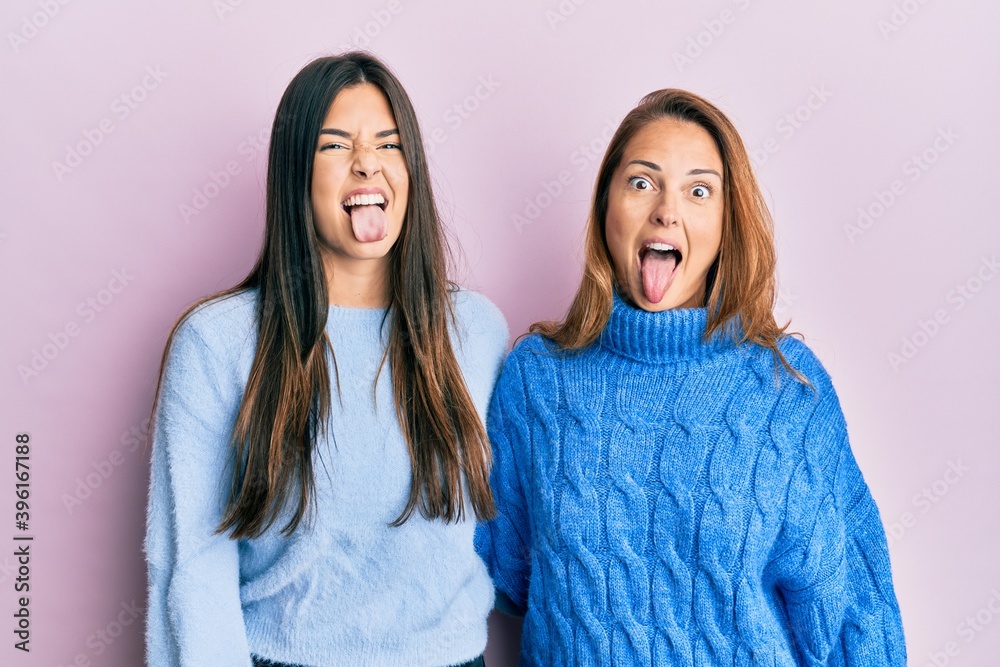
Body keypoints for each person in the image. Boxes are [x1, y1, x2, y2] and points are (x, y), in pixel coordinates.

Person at [476, 89, 906, 665]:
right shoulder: (536, 381)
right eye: (642, 182)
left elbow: (855, 615)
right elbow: (508, 575)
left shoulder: (786, 390)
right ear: (606, 206)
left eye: (698, 190)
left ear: (728, 224)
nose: (667, 211)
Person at [144, 52, 507, 667]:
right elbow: (193, 567)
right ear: (295, 175)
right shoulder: (216, 343)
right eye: (335, 145)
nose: (367, 161)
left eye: (388, 144)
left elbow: (507, 530)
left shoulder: (476, 331)